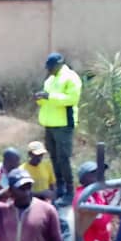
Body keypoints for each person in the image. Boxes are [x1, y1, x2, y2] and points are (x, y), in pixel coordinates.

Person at [33, 52, 82, 205]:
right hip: (50, 124)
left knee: (64, 158)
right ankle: (60, 187)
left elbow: (72, 99)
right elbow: (47, 101)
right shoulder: (50, 80)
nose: (49, 70)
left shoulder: (71, 78)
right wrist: (40, 99)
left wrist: (49, 97)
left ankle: (69, 191)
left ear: (59, 65)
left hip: (63, 125)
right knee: (53, 157)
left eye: (51, 67)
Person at [74, 162, 117, 241]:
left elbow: (111, 192)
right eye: (94, 173)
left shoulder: (97, 193)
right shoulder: (84, 197)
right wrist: (118, 199)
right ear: (83, 178)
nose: (99, 175)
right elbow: (101, 221)